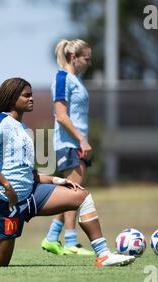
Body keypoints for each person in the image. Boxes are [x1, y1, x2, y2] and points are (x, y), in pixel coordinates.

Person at [0, 77, 135, 267]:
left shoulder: (23, 127)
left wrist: (56, 180)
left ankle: (103, 255)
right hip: (4, 202)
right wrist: (7, 186)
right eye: (26, 95)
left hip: (31, 197)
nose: (31, 99)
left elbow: (27, 173)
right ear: (12, 99)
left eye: (31, 94)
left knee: (81, 196)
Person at [41, 39, 95, 256]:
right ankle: (71, 242)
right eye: (87, 59)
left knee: (71, 191)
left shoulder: (77, 79)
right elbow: (61, 116)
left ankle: (52, 238)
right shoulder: (62, 77)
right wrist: (81, 140)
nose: (89, 63)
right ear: (74, 57)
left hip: (78, 143)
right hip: (69, 143)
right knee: (74, 193)